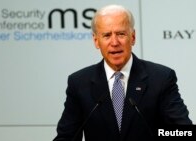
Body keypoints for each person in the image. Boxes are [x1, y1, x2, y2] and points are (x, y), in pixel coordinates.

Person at [53, 4, 192, 141]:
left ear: (132, 37)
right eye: (107, 35)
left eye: (121, 34)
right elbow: (66, 137)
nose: (114, 42)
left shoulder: (161, 78)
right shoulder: (79, 83)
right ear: (96, 41)